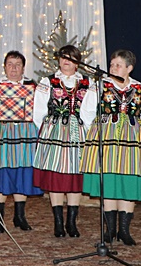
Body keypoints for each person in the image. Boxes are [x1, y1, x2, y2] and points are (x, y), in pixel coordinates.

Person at [81, 49, 141, 245]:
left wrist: (134, 131)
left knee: (128, 181)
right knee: (110, 181)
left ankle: (124, 230)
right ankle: (110, 230)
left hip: (131, 141)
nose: (113, 68)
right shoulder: (99, 87)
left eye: (118, 65)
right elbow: (87, 112)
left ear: (129, 68)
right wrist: (98, 131)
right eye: (112, 65)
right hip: (106, 137)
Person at [32, 45, 97, 238]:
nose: (66, 61)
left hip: (78, 133)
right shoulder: (48, 82)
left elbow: (91, 110)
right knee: (56, 177)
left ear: (77, 62)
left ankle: (72, 221)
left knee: (75, 176)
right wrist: (48, 129)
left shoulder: (88, 83)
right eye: (63, 57)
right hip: (55, 132)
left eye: (70, 58)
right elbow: (38, 111)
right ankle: (58, 222)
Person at [0, 51, 43, 233]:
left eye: (18, 65)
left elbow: (40, 112)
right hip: (2, 133)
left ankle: (20, 216)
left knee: (22, 173)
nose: (14, 68)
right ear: (4, 67)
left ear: (23, 68)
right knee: (1, 173)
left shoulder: (33, 86)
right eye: (10, 64)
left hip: (25, 133)